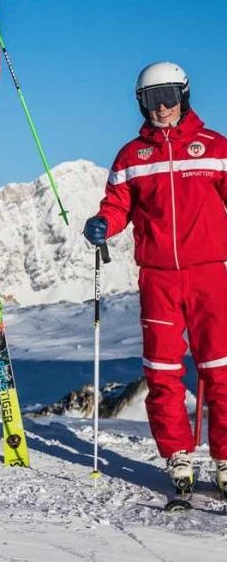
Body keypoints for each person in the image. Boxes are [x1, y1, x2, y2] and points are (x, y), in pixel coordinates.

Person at [84, 62, 227, 495]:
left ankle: (224, 458)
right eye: (151, 99)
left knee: (221, 370)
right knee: (162, 371)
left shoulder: (214, 147)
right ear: (140, 103)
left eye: (169, 97)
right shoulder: (132, 157)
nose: (161, 107)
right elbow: (117, 205)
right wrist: (104, 223)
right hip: (158, 279)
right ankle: (177, 454)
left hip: (209, 274)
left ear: (184, 96)